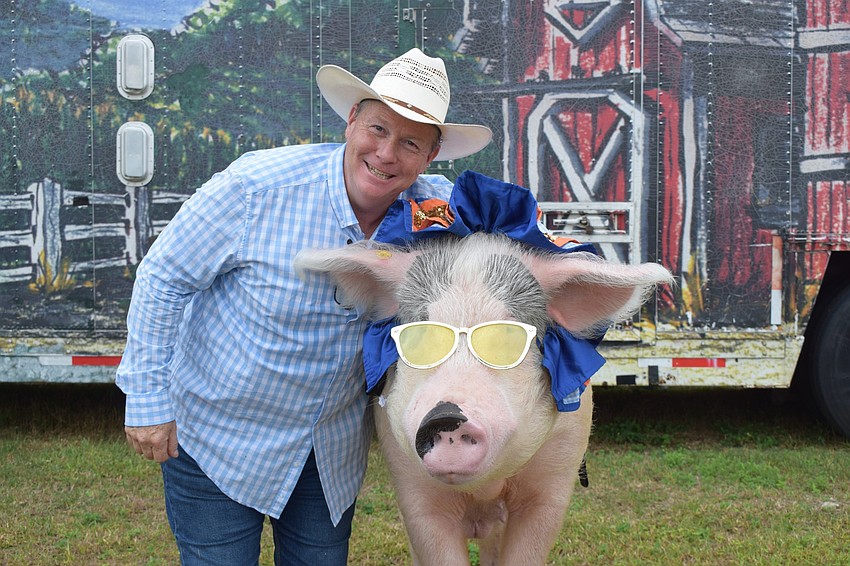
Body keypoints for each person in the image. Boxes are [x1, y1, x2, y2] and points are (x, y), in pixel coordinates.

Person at [115, 48, 492, 566]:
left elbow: (521, 243)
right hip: (218, 438)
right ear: (352, 120)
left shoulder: (439, 211)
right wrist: (147, 398)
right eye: (378, 129)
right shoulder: (256, 186)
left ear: (430, 157)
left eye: (410, 142)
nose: (387, 154)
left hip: (327, 451)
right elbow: (163, 278)